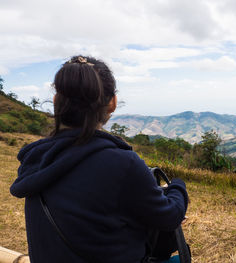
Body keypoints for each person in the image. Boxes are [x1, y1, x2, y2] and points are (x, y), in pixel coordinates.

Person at [10, 55, 188, 263]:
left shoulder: (36, 159)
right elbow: (169, 217)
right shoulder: (122, 163)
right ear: (112, 102)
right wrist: (178, 186)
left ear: (56, 101)